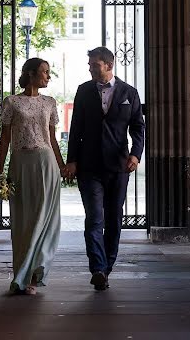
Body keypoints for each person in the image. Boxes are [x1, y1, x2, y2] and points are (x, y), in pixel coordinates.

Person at [65, 46, 145, 291]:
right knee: (94, 218)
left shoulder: (129, 93)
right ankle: (97, 268)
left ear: (108, 65)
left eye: (94, 64)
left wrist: (135, 154)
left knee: (113, 218)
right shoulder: (83, 91)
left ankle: (107, 266)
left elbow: (138, 127)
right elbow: (76, 127)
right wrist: (72, 160)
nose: (90, 68)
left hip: (118, 166)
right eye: (89, 64)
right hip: (89, 166)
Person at [0, 58, 65, 295]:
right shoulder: (12, 102)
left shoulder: (49, 103)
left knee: (43, 219)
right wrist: (0, 168)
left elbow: (52, 138)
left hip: (46, 164)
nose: (48, 76)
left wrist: (62, 164)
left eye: (48, 72)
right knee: (23, 219)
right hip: (20, 163)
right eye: (45, 72)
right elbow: (5, 137)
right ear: (31, 74)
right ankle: (20, 275)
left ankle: (35, 274)